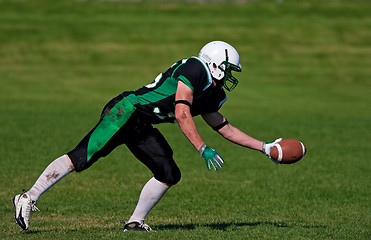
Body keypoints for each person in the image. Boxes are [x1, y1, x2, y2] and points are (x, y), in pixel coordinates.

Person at [12, 41, 282, 232]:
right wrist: (201, 148)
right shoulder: (195, 68)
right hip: (126, 110)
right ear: (215, 64)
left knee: (168, 172)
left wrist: (264, 147)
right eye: (229, 70)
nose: (229, 77)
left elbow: (224, 126)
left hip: (141, 122)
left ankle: (134, 221)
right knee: (81, 158)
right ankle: (29, 197)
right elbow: (181, 112)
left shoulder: (211, 91)